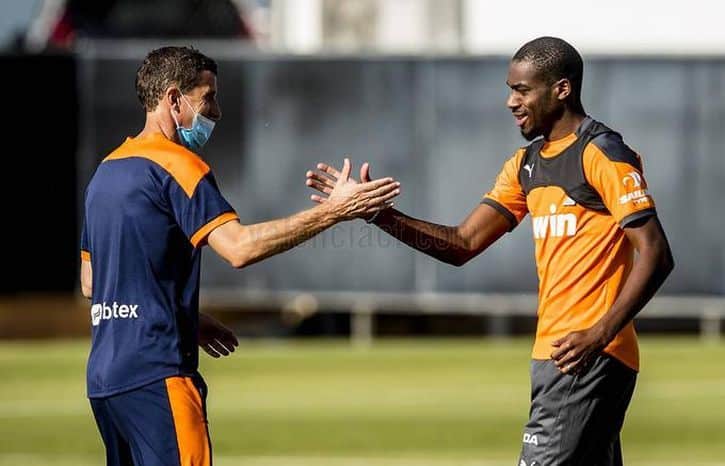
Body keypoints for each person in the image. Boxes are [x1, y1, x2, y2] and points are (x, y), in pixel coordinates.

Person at [306, 36, 674, 465]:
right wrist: (375, 214)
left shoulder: (602, 153)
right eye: (509, 89)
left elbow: (655, 253)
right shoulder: (526, 165)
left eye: (522, 90)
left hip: (587, 358)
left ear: (562, 89)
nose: (510, 102)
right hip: (558, 356)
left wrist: (599, 332)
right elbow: (463, 243)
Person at [79, 46, 400, 466]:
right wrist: (334, 211)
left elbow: (91, 282)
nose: (217, 109)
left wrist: (184, 318)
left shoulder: (106, 172)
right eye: (208, 97)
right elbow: (240, 248)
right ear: (174, 99)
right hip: (157, 374)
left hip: (105, 380)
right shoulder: (177, 164)